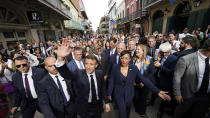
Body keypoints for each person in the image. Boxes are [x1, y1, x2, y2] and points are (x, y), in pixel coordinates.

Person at [55, 38, 110, 118]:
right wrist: (60, 58)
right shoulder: (78, 73)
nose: (88, 66)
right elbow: (66, 74)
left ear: (96, 65)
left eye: (91, 64)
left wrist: (106, 102)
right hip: (85, 108)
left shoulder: (100, 73)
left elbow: (102, 88)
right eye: (86, 63)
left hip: (97, 106)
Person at [107, 50, 171, 118]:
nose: (124, 60)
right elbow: (111, 81)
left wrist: (157, 91)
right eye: (122, 58)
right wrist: (109, 93)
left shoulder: (134, 68)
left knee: (127, 110)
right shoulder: (115, 67)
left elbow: (144, 80)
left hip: (129, 94)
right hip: (118, 94)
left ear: (129, 59)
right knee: (122, 113)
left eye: (126, 58)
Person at [173, 39, 210, 118]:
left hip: (205, 98)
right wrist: (177, 93)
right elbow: (177, 77)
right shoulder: (186, 59)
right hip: (188, 95)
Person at [154, 42, 178, 118]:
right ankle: (151, 102)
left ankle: (160, 112)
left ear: (170, 50)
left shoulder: (174, 59)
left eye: (166, 53)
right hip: (158, 78)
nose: (164, 54)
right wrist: (157, 61)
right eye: (162, 52)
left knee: (164, 97)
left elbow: (171, 72)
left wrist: (160, 66)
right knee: (155, 91)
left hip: (166, 81)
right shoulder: (161, 55)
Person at [133, 45, 155, 118]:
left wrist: (144, 81)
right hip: (135, 83)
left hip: (145, 83)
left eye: (138, 49)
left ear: (143, 51)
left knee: (143, 98)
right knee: (136, 97)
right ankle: (137, 108)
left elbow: (152, 72)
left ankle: (142, 112)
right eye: (136, 49)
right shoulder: (134, 59)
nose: (137, 50)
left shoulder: (148, 59)